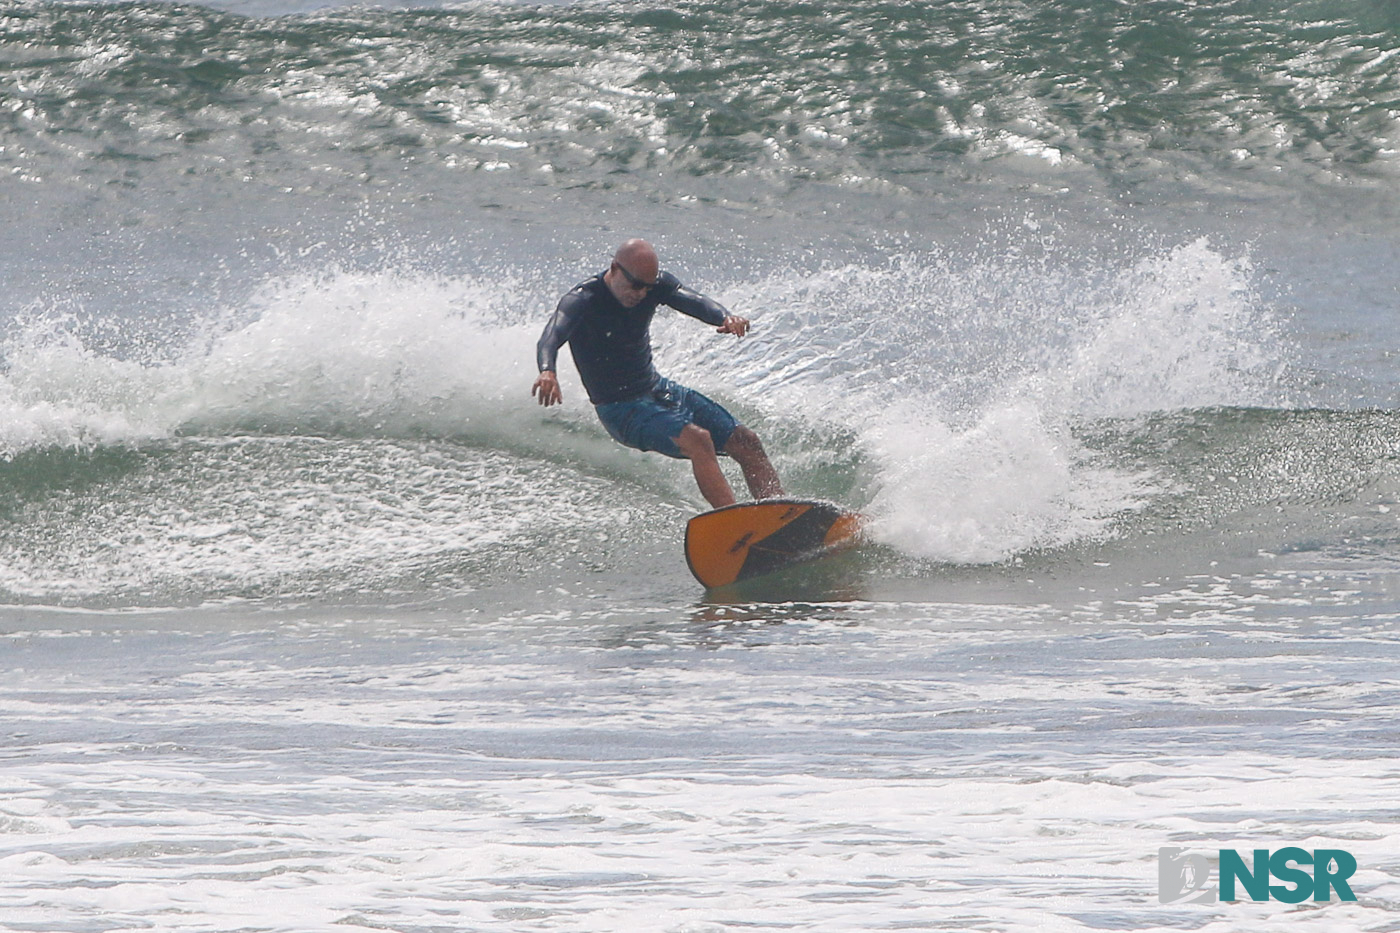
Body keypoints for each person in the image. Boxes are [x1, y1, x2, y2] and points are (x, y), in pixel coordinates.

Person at [532, 238, 785, 509]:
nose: (641, 294)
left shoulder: (652, 287)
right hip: (620, 410)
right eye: (636, 285)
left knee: (747, 441)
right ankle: (734, 526)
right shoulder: (582, 300)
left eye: (648, 287)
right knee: (698, 440)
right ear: (614, 268)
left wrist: (725, 317)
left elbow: (692, 300)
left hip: (658, 390)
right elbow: (551, 335)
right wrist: (548, 371)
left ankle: (781, 514)